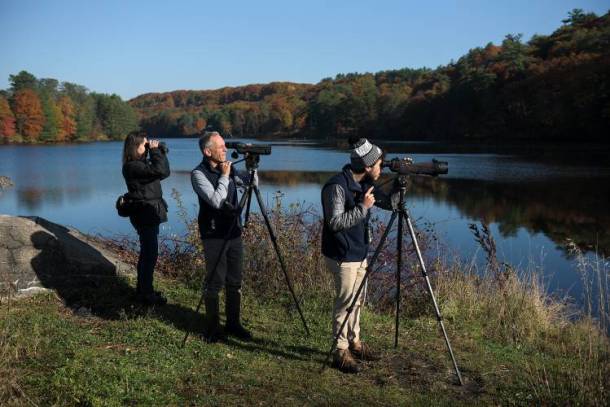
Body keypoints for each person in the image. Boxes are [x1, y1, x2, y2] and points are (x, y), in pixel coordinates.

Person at [321, 138, 392, 374]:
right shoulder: (337, 187)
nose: (381, 169)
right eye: (379, 164)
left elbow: (389, 202)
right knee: (345, 303)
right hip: (342, 254)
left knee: (358, 300)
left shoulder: (363, 184)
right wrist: (363, 208)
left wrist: (401, 187)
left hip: (359, 252)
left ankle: (355, 342)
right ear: (369, 165)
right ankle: (340, 351)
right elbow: (335, 222)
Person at [191, 131, 254, 342]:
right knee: (215, 282)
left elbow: (253, 184)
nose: (226, 150)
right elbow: (216, 201)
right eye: (221, 147)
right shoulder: (198, 174)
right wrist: (225, 177)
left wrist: (253, 167)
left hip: (234, 232)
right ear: (208, 151)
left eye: (225, 146)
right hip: (214, 234)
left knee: (235, 281)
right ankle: (212, 328)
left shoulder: (230, 167)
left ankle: (233, 324)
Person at [122, 130, 170, 305]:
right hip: (144, 214)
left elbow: (164, 172)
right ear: (135, 147)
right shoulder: (133, 167)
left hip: (149, 212)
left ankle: (143, 290)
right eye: (145, 145)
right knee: (149, 254)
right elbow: (160, 169)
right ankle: (146, 294)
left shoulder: (142, 165)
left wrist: (159, 152)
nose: (148, 147)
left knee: (147, 254)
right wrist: (156, 152)